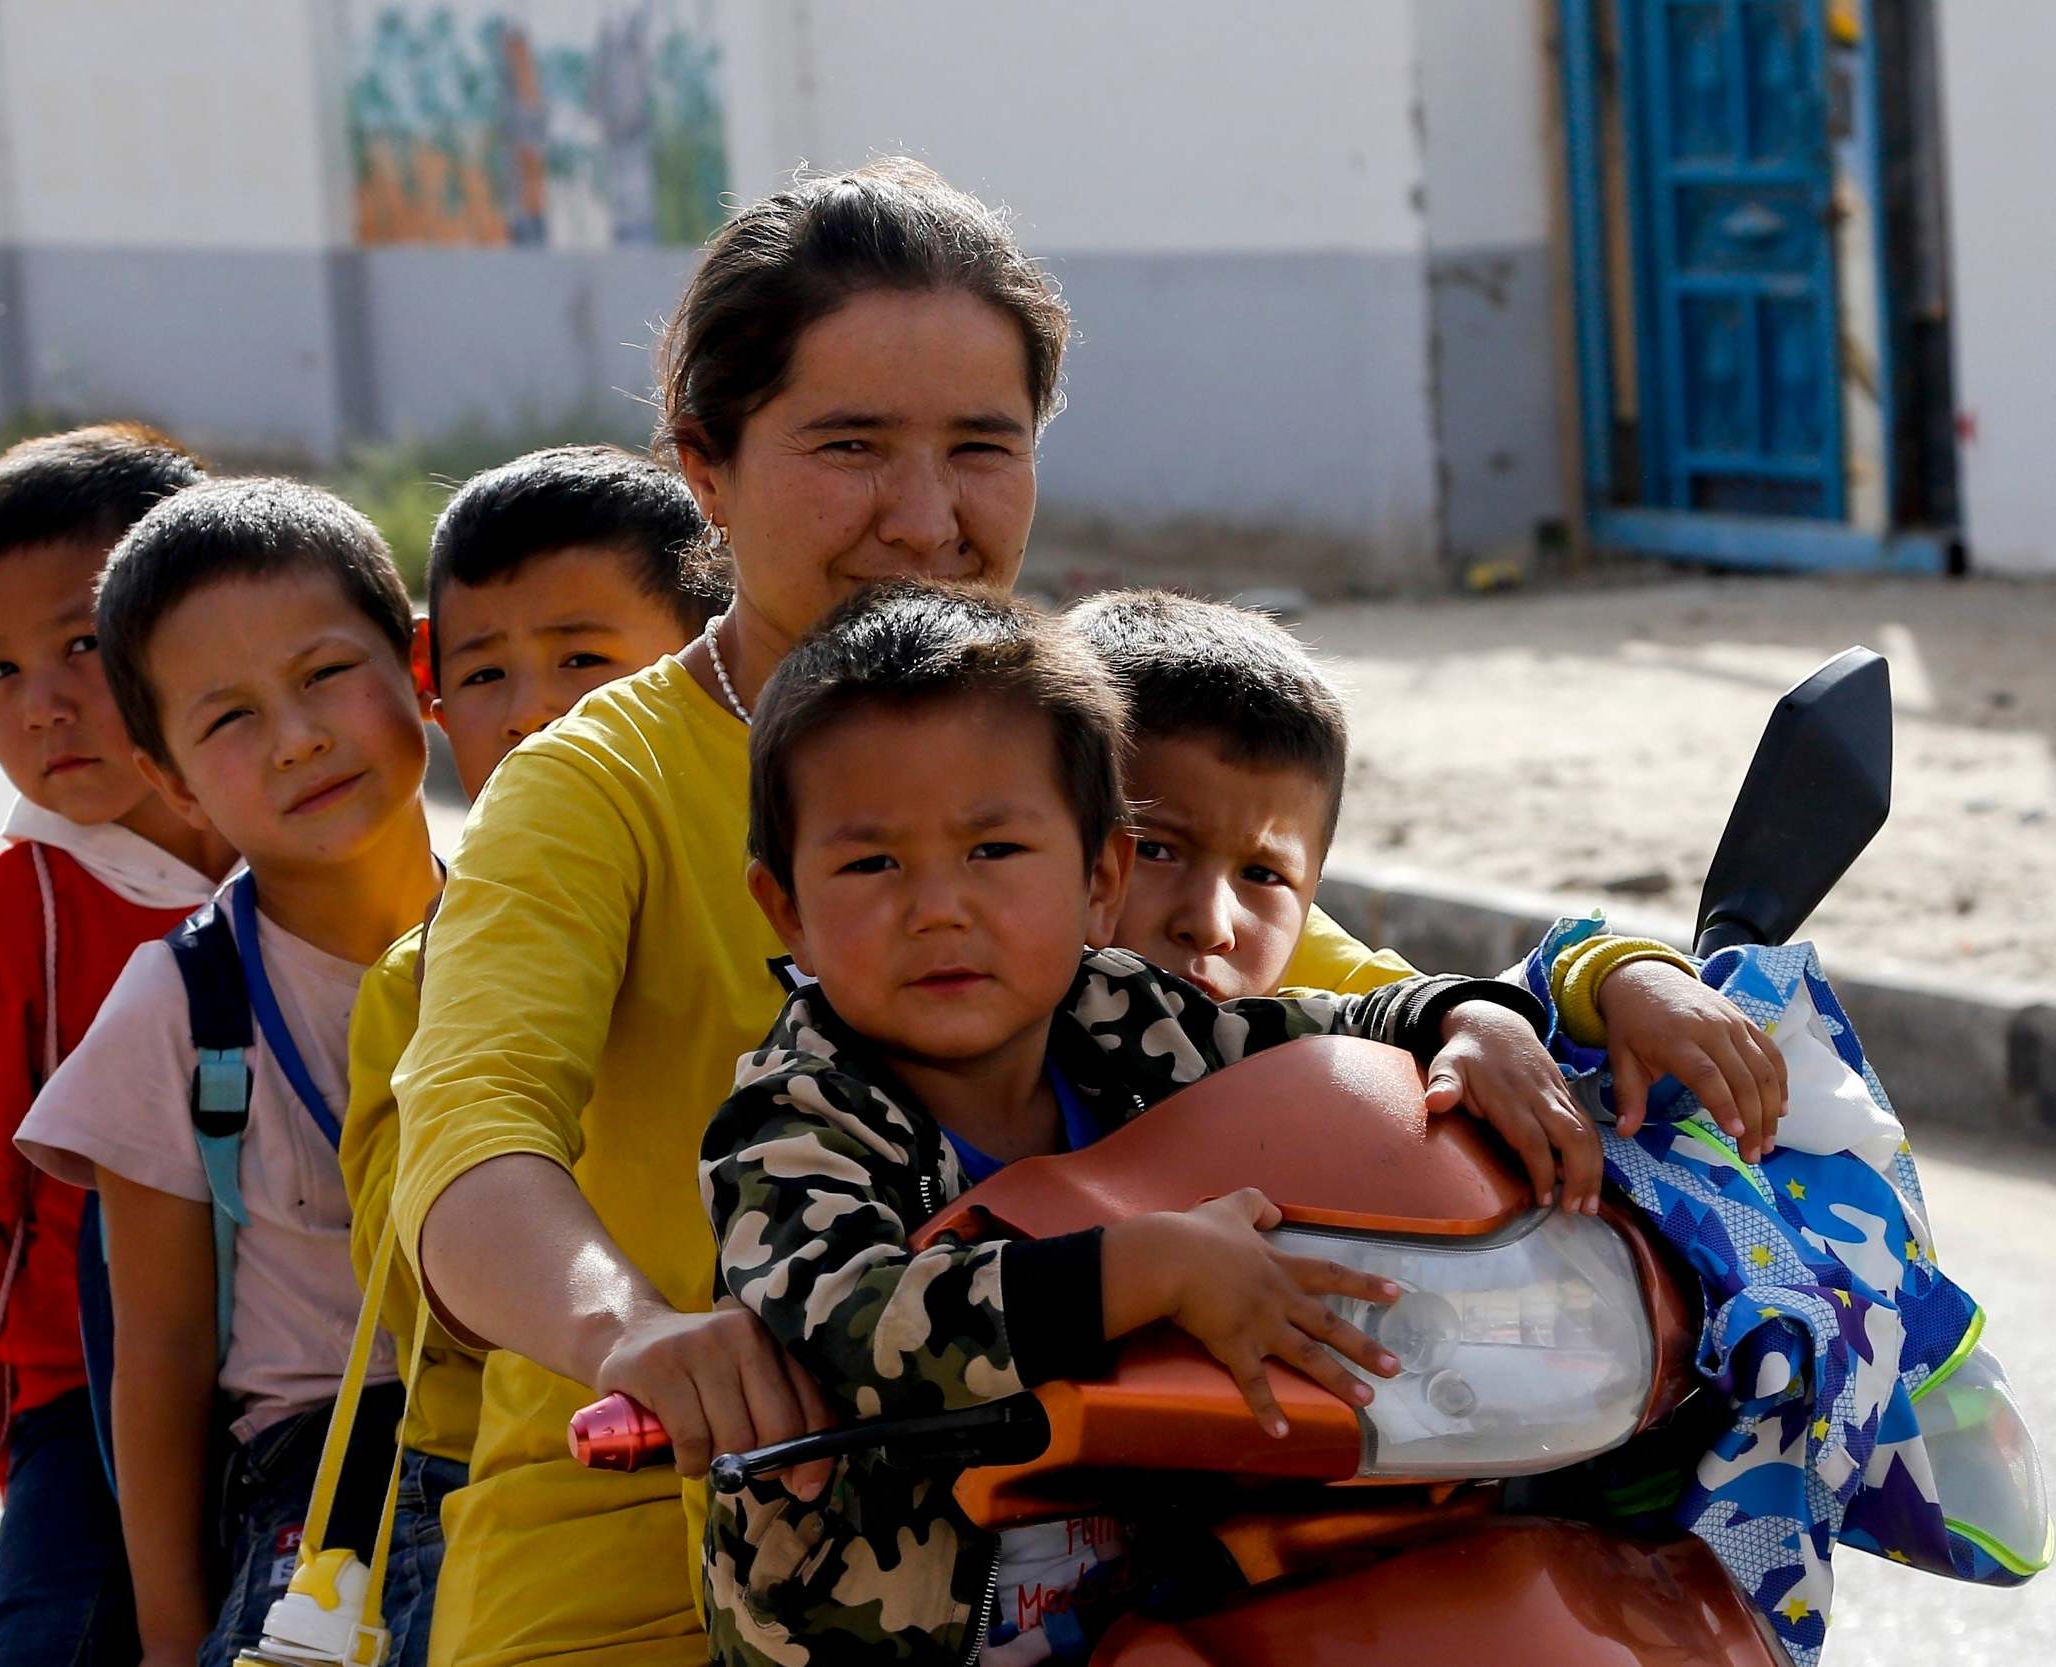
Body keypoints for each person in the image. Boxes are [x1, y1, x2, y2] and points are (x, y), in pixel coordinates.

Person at [386, 157, 1468, 1666]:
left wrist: (1575, 993)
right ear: (705, 461)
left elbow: (1307, 981)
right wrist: (634, 1334)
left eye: (981, 446)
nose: (924, 516)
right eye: (848, 445)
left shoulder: (1051, 723)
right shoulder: (593, 784)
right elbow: (470, 1129)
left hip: (1086, 1550)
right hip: (652, 1561)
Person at [700, 582, 1561, 1664]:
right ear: (785, 907)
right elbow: (859, 1326)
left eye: (992, 850)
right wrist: (1141, 1266)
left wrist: (1464, 1017)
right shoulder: (791, 1117)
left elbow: (1315, 1034)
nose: (937, 906)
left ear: (1097, 877)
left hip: (1132, 1613)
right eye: (872, 862)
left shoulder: (1125, 1018)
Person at [15, 478, 442, 1667]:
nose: (297, 735)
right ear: (168, 780)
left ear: (416, 665)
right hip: (323, 1505)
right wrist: (167, 1632)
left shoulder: (538, 935)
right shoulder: (181, 1005)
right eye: (229, 718)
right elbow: (154, 1356)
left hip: (540, 1450)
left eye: (322, 676)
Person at [337, 445, 728, 1657]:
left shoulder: (811, 869)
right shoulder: (420, 976)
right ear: (430, 687)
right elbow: (410, 1294)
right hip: (518, 1494)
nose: (530, 709)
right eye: (485, 671)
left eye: (583, 660)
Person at [1066, 588, 1791, 1176]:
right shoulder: (989, 1018)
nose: (1212, 922)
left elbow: (1444, 1002)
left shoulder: (1292, 981)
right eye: (1155, 850)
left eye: (1262, 874)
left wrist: (1618, 977)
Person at [0, 423, 232, 1666]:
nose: (41, 703)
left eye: (82, 644)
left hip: (328, 1384)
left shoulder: (321, 861)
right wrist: (20, 1435)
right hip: (85, 1413)